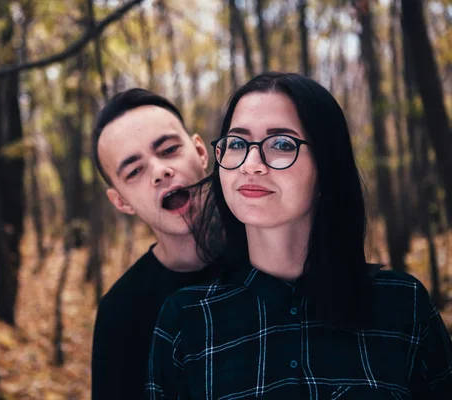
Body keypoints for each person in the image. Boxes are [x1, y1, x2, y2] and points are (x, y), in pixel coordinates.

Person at [146, 72, 452, 399]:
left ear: (326, 166)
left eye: (281, 144)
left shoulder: (403, 304)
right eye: (236, 143)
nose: (251, 164)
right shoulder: (187, 319)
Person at [91, 88, 220, 400]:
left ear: (201, 152)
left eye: (169, 150)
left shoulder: (272, 258)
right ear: (120, 201)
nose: (160, 172)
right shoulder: (120, 313)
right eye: (135, 171)